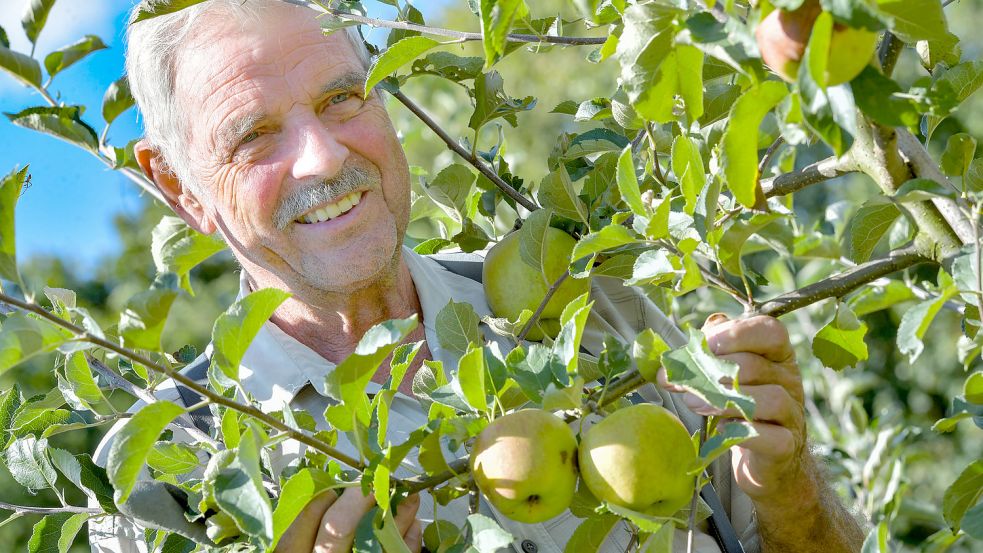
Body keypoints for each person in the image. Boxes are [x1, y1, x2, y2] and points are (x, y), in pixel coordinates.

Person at [90, 1, 867, 551]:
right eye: (256, 135)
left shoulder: (584, 306)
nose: (324, 157)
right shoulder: (165, 478)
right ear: (179, 186)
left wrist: (788, 491)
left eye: (341, 97)